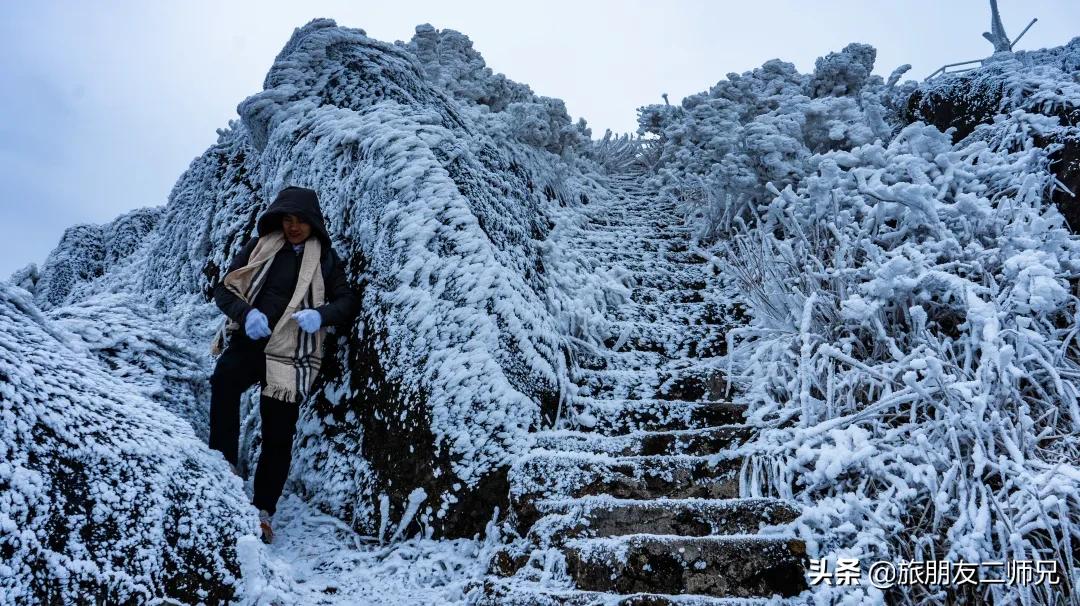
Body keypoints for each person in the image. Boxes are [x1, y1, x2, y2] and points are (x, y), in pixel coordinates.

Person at [208, 186, 359, 544]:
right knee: (224, 380)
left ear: (314, 224)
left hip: (291, 355)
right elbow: (224, 290)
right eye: (287, 219)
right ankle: (223, 467)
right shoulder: (260, 247)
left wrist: (320, 315)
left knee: (278, 434)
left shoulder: (325, 259)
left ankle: (263, 512)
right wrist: (247, 314)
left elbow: (348, 301)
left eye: (301, 221)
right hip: (252, 341)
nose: (293, 227)